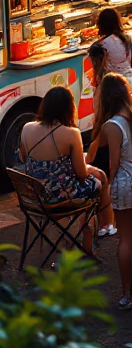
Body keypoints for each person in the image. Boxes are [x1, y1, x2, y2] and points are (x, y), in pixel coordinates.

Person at [19, 86, 108, 256]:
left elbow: (24, 159)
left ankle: (69, 238)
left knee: (95, 175)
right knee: (98, 181)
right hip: (60, 198)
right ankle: (88, 239)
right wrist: (89, 168)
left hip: (34, 198)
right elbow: (81, 173)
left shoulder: (26, 128)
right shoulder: (71, 133)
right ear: (69, 109)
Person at [95, 73, 132, 308]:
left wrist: (107, 185)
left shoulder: (112, 125)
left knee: (125, 239)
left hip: (125, 183)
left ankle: (127, 293)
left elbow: (113, 163)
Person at [95, 7, 132, 94]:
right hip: (130, 83)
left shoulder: (101, 45)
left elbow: (98, 72)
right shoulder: (129, 39)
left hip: (112, 87)